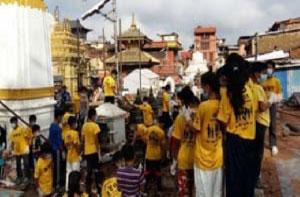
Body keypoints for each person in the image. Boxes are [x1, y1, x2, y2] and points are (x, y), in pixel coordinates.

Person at [217, 54, 257, 197]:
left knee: (234, 182)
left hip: (235, 143)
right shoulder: (250, 88)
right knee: (248, 180)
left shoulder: (228, 95)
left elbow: (222, 121)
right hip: (251, 140)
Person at [192, 72, 223, 197]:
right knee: (217, 193)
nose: (203, 90)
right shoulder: (222, 105)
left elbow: (196, 129)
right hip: (217, 157)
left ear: (208, 87)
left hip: (202, 158)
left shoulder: (203, 106)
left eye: (203, 87)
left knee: (202, 193)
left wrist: (188, 118)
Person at [171, 87, 198, 197]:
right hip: (200, 160)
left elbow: (176, 141)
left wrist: (174, 159)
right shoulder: (202, 113)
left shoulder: (180, 117)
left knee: (184, 193)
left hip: (184, 160)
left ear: (184, 102)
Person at [251, 62, 271, 187]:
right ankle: (256, 178)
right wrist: (270, 101)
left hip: (260, 122)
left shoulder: (256, 86)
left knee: (257, 151)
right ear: (256, 73)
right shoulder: (257, 88)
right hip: (259, 122)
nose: (264, 75)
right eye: (262, 73)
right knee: (258, 152)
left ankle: (255, 176)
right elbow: (261, 107)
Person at [262, 60, 282, 156]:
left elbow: (280, 95)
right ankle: (260, 144)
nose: (268, 69)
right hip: (263, 106)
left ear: (273, 69)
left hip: (272, 106)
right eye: (267, 67)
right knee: (262, 125)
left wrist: (274, 99)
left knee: (272, 125)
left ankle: (273, 144)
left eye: (270, 67)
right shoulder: (262, 81)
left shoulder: (276, 81)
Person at [81, 108, 101, 194]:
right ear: (93, 116)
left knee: (88, 171)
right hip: (94, 152)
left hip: (87, 152)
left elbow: (82, 140)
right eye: (95, 115)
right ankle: (98, 189)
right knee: (96, 171)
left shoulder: (84, 126)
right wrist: (99, 151)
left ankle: (88, 190)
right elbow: (96, 140)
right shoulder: (95, 126)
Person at [144, 117, 165, 193]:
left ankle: (146, 187)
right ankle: (159, 188)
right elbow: (162, 145)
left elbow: (145, 139)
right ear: (161, 123)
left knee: (147, 171)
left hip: (148, 154)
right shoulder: (162, 132)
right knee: (158, 172)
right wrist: (163, 155)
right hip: (157, 155)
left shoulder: (148, 129)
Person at [9, 117, 30, 184]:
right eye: (12, 122)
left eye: (14, 122)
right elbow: (12, 142)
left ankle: (27, 177)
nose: (13, 124)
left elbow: (27, 137)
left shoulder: (21, 129)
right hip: (17, 151)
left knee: (26, 163)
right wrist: (12, 150)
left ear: (17, 122)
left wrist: (27, 146)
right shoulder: (12, 132)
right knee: (18, 165)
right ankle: (19, 177)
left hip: (24, 149)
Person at [49, 109, 64, 189]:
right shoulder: (57, 128)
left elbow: (50, 139)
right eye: (61, 117)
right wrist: (62, 151)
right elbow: (59, 141)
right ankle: (57, 184)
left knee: (54, 166)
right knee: (58, 167)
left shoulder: (51, 126)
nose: (62, 119)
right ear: (58, 117)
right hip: (57, 149)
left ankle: (55, 182)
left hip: (52, 149)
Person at [65, 116, 80, 191]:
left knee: (68, 173)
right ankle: (75, 189)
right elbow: (76, 145)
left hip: (68, 156)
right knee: (75, 174)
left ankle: (67, 188)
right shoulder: (75, 133)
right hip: (75, 156)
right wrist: (79, 154)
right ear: (73, 123)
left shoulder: (66, 133)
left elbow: (66, 144)